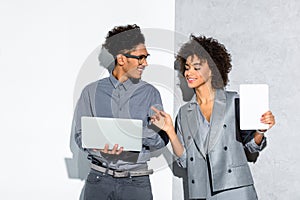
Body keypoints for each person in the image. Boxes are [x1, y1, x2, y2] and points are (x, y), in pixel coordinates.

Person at [150, 35, 275, 200]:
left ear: (213, 69)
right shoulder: (184, 112)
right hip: (201, 191)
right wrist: (170, 131)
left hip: (235, 187)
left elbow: (251, 146)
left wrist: (260, 130)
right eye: (187, 67)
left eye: (196, 67)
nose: (189, 73)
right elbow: (185, 162)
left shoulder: (233, 101)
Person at [72, 24, 168, 200]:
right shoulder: (91, 92)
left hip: (136, 183)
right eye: (140, 58)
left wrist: (129, 135)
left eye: (146, 57)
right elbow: (80, 136)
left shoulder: (150, 93)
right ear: (121, 59)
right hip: (99, 180)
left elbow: (161, 140)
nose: (145, 63)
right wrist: (99, 147)